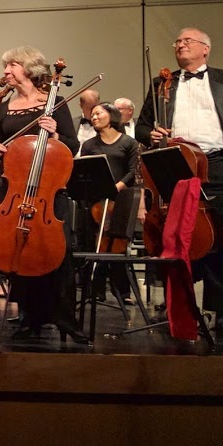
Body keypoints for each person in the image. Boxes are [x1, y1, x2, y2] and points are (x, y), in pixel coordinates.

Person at [136, 27, 223, 330]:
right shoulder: (161, 83)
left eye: (188, 40)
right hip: (174, 162)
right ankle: (177, 304)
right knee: (172, 233)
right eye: (178, 41)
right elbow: (141, 126)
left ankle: (220, 309)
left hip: (217, 163)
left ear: (205, 48)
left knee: (220, 235)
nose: (181, 44)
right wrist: (151, 134)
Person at [0, 45, 83, 343]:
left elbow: (72, 145)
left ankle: (65, 319)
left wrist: (56, 133)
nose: (6, 71)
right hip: (15, 188)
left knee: (57, 252)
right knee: (20, 250)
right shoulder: (4, 107)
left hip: (49, 188)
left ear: (29, 68)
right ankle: (28, 317)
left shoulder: (55, 102)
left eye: (12, 65)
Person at [78, 101, 140, 305]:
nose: (94, 117)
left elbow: (133, 170)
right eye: (92, 115)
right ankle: (94, 290)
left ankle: (122, 290)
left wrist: (117, 187)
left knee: (118, 245)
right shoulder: (89, 145)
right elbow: (85, 170)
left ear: (112, 116)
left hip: (121, 199)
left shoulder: (128, 143)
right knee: (95, 243)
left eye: (98, 114)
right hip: (95, 200)